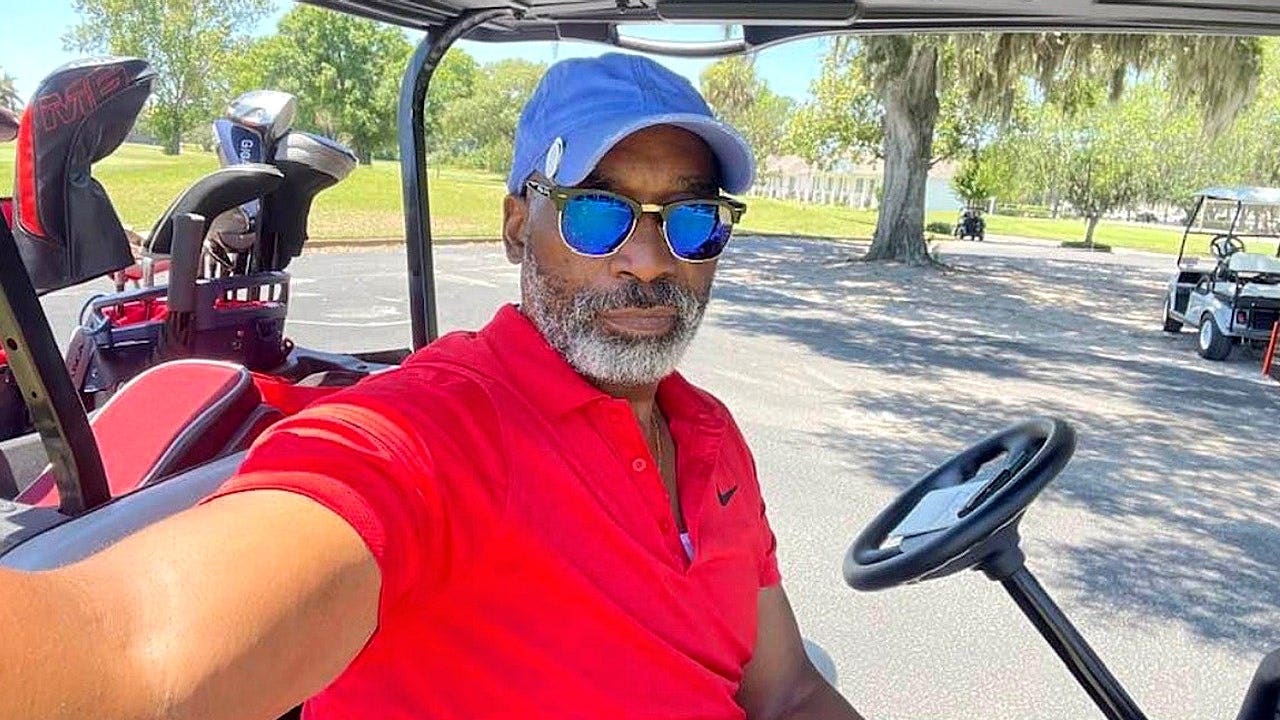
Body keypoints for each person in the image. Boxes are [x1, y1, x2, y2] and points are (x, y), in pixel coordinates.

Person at [0, 54, 865, 720]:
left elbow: (786, 690)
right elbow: (142, 653)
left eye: (693, 218)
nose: (649, 259)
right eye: (597, 213)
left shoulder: (709, 432)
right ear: (517, 226)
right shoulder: (436, 431)